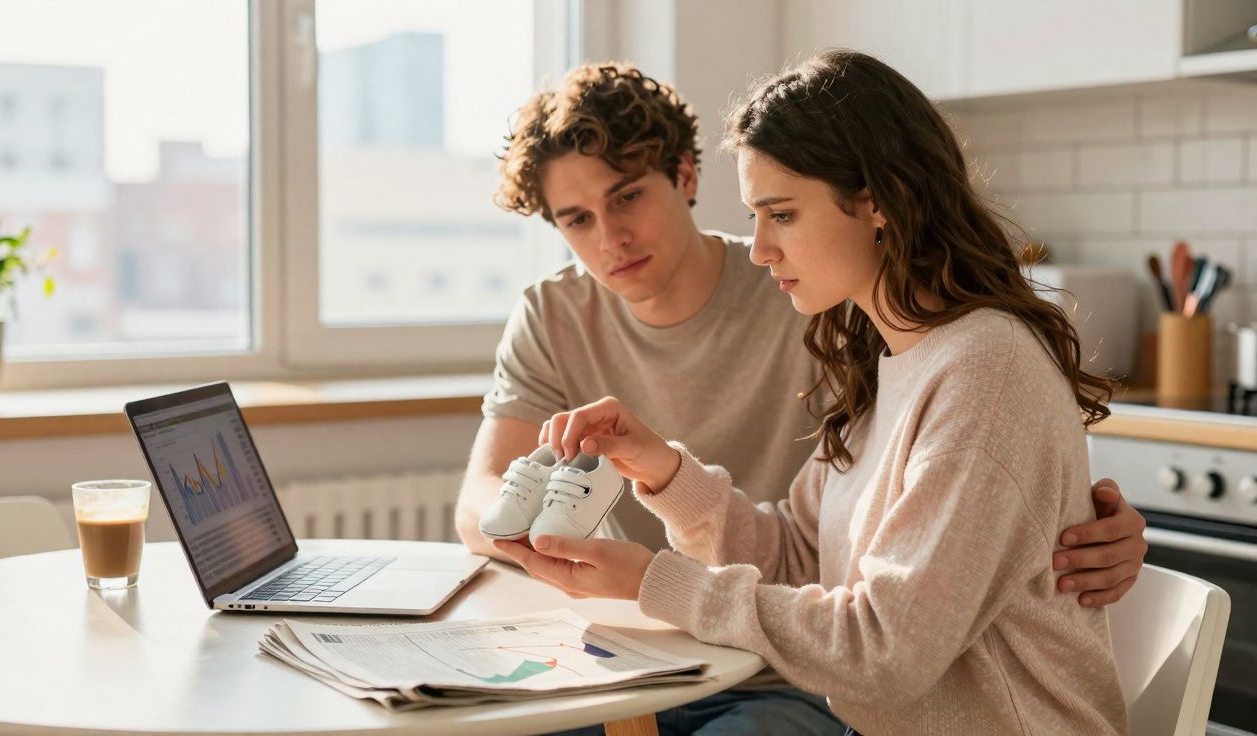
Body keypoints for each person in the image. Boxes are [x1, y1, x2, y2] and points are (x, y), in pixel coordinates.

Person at [458, 60, 1144, 735]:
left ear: (879, 198)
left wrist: (654, 581)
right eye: (757, 216)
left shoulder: (983, 369)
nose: (759, 249)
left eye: (781, 214)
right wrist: (666, 473)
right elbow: (796, 556)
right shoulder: (887, 353)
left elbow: (884, 650)